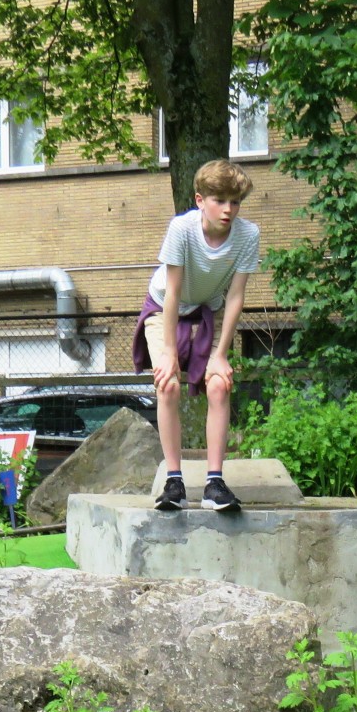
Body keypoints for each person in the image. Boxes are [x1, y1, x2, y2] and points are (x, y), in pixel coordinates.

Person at [133, 159, 260, 512]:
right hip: (164, 309)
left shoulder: (248, 235)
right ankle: (174, 482)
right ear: (200, 199)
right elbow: (172, 293)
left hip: (207, 311)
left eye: (235, 202)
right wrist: (170, 352)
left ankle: (214, 484)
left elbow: (236, 297)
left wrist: (219, 353)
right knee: (167, 383)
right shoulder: (182, 229)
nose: (228, 209)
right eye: (219, 200)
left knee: (220, 383)